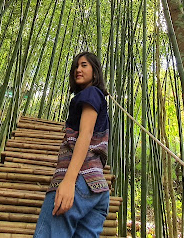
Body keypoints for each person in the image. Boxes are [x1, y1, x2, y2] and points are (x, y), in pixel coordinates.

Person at [32, 51, 110, 238]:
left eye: (84, 65)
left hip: (79, 182)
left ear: (95, 71)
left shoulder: (91, 93)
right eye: (76, 66)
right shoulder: (97, 98)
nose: (78, 69)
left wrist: (68, 181)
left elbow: (85, 134)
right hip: (98, 190)